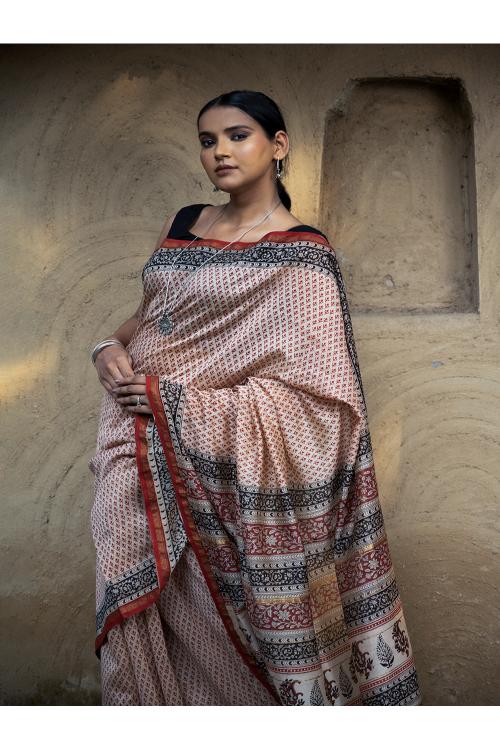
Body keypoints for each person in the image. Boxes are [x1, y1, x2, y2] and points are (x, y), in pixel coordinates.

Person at [88, 89, 422, 706]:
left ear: (278, 145)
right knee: (145, 609)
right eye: (208, 140)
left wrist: (183, 402)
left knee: (239, 623)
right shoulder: (183, 223)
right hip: (134, 450)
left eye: (237, 136)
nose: (220, 152)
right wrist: (108, 344)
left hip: (227, 473)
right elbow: (146, 319)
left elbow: (321, 400)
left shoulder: (303, 254)